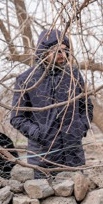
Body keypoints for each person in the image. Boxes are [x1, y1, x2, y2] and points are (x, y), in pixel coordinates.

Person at [10, 29, 93, 175]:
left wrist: (79, 128)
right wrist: (39, 133)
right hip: (43, 157)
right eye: (56, 51)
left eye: (64, 50)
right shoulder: (26, 79)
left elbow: (86, 106)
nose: (62, 55)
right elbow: (17, 118)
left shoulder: (73, 75)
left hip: (73, 154)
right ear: (44, 52)